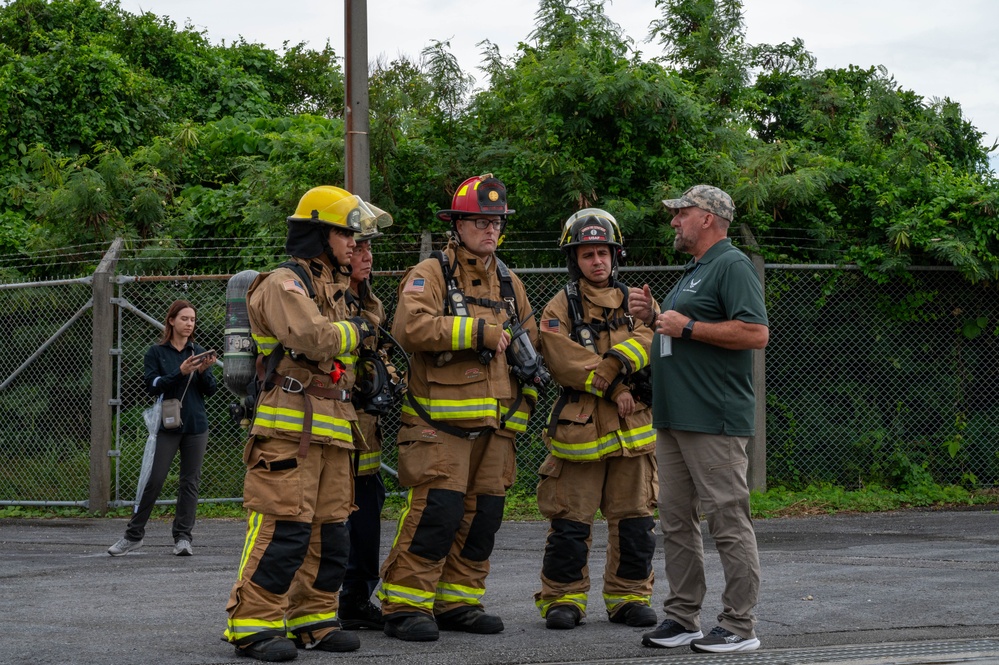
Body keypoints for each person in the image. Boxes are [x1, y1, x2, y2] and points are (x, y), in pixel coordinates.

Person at [223, 186, 387, 662]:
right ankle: (252, 623)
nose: (357, 245)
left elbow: (366, 332)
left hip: (334, 428)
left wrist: (359, 314)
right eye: (348, 234)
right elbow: (312, 337)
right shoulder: (283, 283)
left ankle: (313, 618)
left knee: (330, 532)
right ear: (319, 233)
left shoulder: (336, 292)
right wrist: (355, 330)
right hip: (288, 428)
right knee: (283, 530)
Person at [379, 174, 540, 642]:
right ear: (457, 225)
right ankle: (405, 605)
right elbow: (409, 327)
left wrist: (522, 404)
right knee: (438, 514)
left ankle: (459, 602)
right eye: (480, 222)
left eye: (496, 223)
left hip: (495, 428)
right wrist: (478, 333)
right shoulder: (430, 273)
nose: (490, 231)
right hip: (438, 427)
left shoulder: (509, 282)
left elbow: (530, 348)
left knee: (482, 517)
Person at [629, 185, 769, 653]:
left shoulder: (731, 265)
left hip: (713, 419)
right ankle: (682, 617)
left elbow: (755, 332)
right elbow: (677, 336)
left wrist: (685, 325)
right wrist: (655, 315)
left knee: (727, 521)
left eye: (681, 213)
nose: (674, 221)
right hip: (674, 419)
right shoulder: (695, 271)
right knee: (676, 523)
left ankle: (739, 625)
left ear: (708, 218)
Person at [533, 209, 659, 631]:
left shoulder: (636, 299)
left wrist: (614, 363)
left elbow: (651, 334)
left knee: (636, 521)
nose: (597, 261)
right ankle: (562, 599)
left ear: (614, 255)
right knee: (570, 522)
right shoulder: (559, 305)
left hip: (633, 432)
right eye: (587, 254)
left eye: (603, 252)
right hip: (581, 432)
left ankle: (629, 597)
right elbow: (561, 356)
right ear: (576, 260)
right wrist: (612, 385)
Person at [109, 300, 218, 557]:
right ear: (171, 321)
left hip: (196, 426)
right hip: (168, 426)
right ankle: (133, 536)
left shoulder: (198, 350)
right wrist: (180, 372)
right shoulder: (156, 353)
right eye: (184, 319)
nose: (189, 324)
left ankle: (183, 538)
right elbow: (154, 386)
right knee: (154, 479)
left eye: (192, 319)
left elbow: (210, 391)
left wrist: (203, 372)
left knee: (189, 483)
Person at [339, 227, 401, 631]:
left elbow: (379, 355)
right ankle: (319, 603)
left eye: (369, 248)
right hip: (335, 428)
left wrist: (387, 375)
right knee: (333, 521)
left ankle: (357, 599)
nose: (367, 255)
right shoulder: (330, 298)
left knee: (367, 517)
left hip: (366, 433)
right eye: (358, 247)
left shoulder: (370, 301)